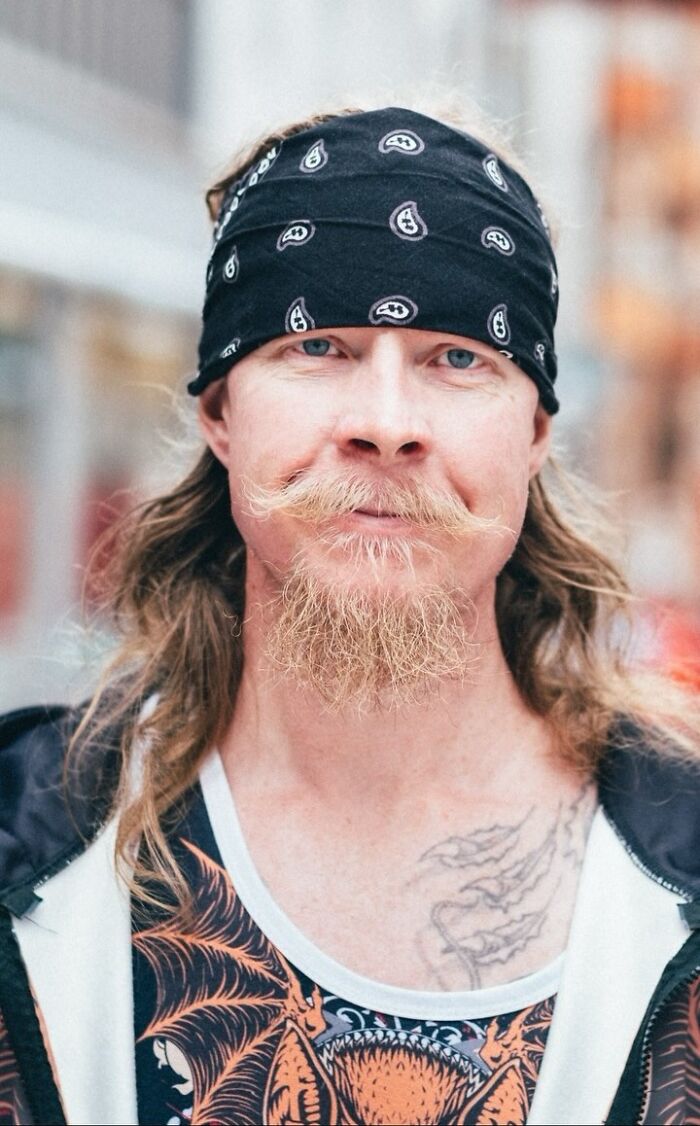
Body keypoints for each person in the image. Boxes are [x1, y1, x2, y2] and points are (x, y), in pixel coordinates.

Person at [1, 100, 699, 1126]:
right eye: (316, 345)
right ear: (220, 415)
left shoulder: (674, 874)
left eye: (458, 356)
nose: (384, 423)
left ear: (537, 431)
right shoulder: (31, 848)